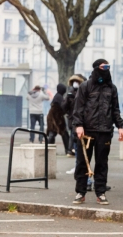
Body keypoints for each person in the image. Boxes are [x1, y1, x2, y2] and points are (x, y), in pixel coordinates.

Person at [72, 59, 123, 205]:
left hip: (105, 131)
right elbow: (78, 108)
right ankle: (80, 192)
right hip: (87, 132)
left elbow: (115, 110)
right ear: (96, 68)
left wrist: (120, 126)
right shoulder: (85, 86)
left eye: (108, 67)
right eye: (103, 67)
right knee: (82, 163)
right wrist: (79, 125)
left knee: (102, 163)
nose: (106, 70)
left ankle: (100, 192)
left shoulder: (111, 88)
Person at [62, 74, 87, 161]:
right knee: (74, 138)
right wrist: (68, 98)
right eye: (73, 82)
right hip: (72, 120)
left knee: (77, 141)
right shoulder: (70, 92)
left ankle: (72, 153)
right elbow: (64, 108)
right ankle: (72, 154)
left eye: (77, 82)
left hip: (81, 121)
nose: (75, 83)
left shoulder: (85, 92)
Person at [47, 83, 70, 154]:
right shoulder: (59, 97)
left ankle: (49, 149)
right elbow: (63, 106)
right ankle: (67, 149)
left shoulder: (57, 96)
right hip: (56, 117)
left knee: (53, 132)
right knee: (63, 133)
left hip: (54, 117)